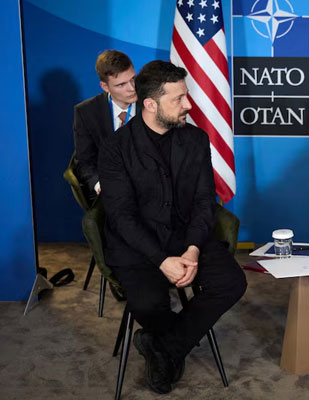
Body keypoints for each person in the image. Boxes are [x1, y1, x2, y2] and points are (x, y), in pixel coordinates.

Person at [98, 60, 247, 394]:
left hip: (186, 237)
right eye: (178, 98)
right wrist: (162, 260)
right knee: (148, 304)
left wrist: (192, 250)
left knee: (231, 282)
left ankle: (165, 347)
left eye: (186, 95)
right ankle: (171, 346)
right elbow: (122, 217)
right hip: (137, 246)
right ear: (151, 104)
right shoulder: (115, 149)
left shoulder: (195, 139)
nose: (188, 105)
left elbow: (204, 202)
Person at [73, 49, 137, 201]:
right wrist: (99, 184)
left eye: (133, 79)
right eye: (121, 85)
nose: (132, 88)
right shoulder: (86, 112)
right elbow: (84, 161)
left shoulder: (152, 103)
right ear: (105, 87)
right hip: (110, 194)